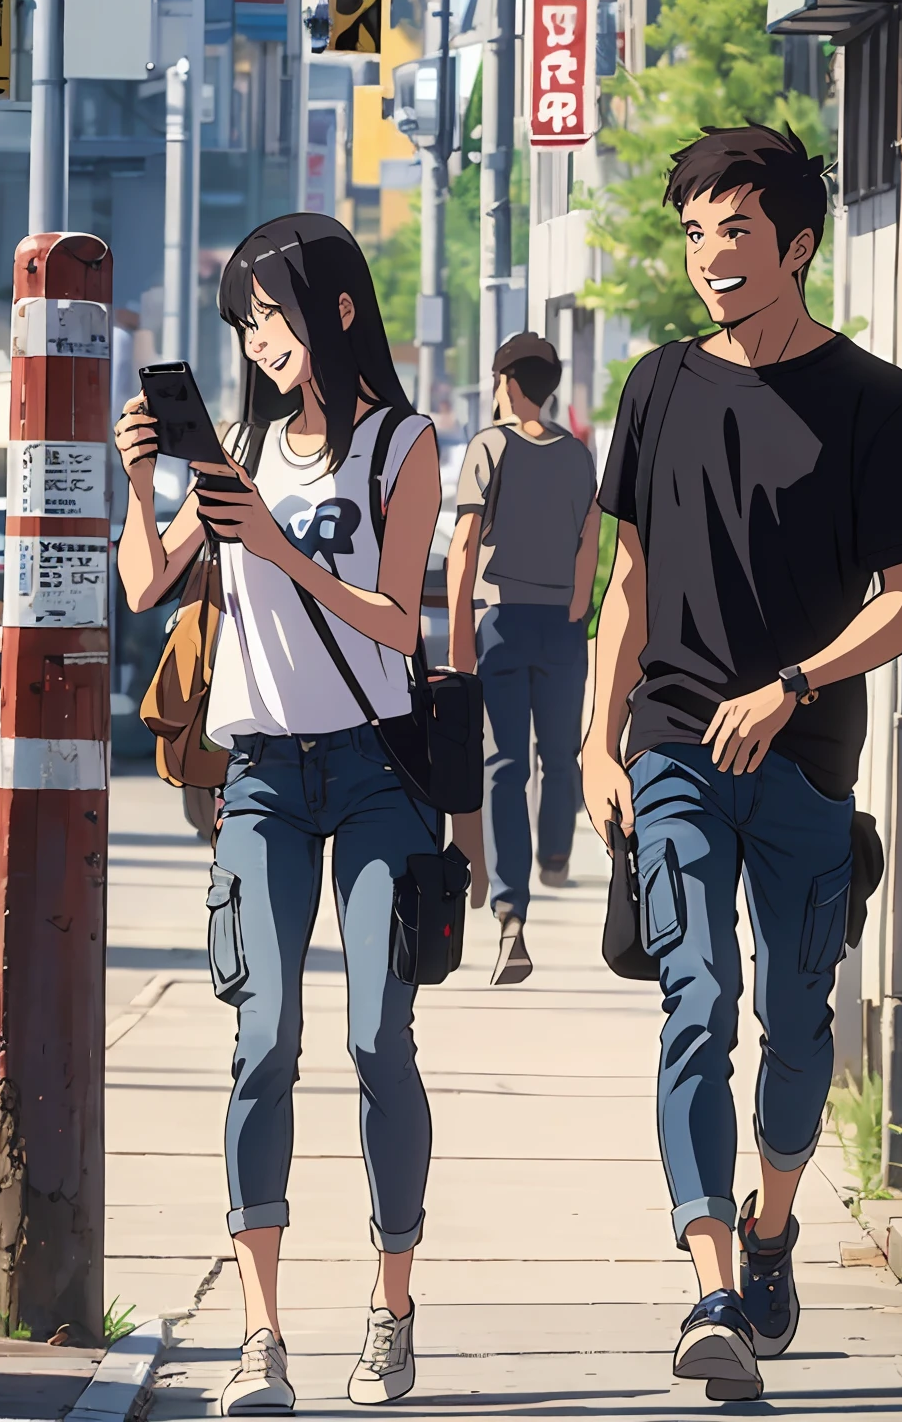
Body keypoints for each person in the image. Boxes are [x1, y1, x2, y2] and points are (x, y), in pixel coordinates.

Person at [580, 124, 902, 1402]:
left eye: (734, 231)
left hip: (806, 764)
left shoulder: (870, 398)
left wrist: (791, 685)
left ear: (795, 243)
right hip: (673, 743)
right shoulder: (654, 386)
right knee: (696, 1004)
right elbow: (626, 581)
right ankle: (712, 1289)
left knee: (799, 1029)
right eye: (693, 234)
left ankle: (774, 1224)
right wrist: (595, 736)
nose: (710, 257)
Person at [115, 214, 476, 1416]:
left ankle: (391, 1305)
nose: (259, 338)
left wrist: (276, 546)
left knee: (378, 1037)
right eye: (243, 323)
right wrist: (142, 482)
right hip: (260, 773)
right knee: (262, 1040)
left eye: (272, 313)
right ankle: (261, 1336)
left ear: (332, 307)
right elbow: (142, 581)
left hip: (374, 772)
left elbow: (398, 623)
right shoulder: (241, 454)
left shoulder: (401, 445)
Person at [446, 332, 599, 985]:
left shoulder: (489, 446)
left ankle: (512, 911)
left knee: (505, 765)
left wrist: (458, 640)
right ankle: (557, 853)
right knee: (557, 754)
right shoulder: (578, 456)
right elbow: (591, 538)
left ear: (509, 382)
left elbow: (463, 546)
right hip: (561, 623)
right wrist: (577, 608)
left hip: (501, 620)